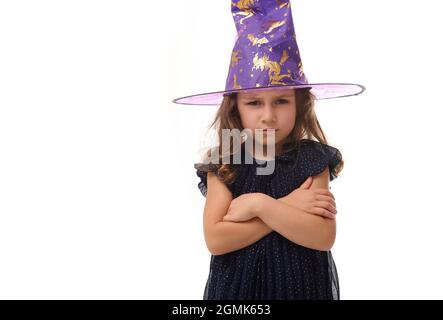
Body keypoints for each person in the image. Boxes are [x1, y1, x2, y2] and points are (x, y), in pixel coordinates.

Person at [172, 0, 365, 300]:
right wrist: (290, 205)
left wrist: (258, 205)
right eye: (254, 103)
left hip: (301, 289)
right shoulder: (225, 163)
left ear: (300, 103)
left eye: (281, 101)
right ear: (235, 107)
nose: (268, 116)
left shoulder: (312, 160)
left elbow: (323, 236)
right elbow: (216, 239)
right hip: (238, 294)